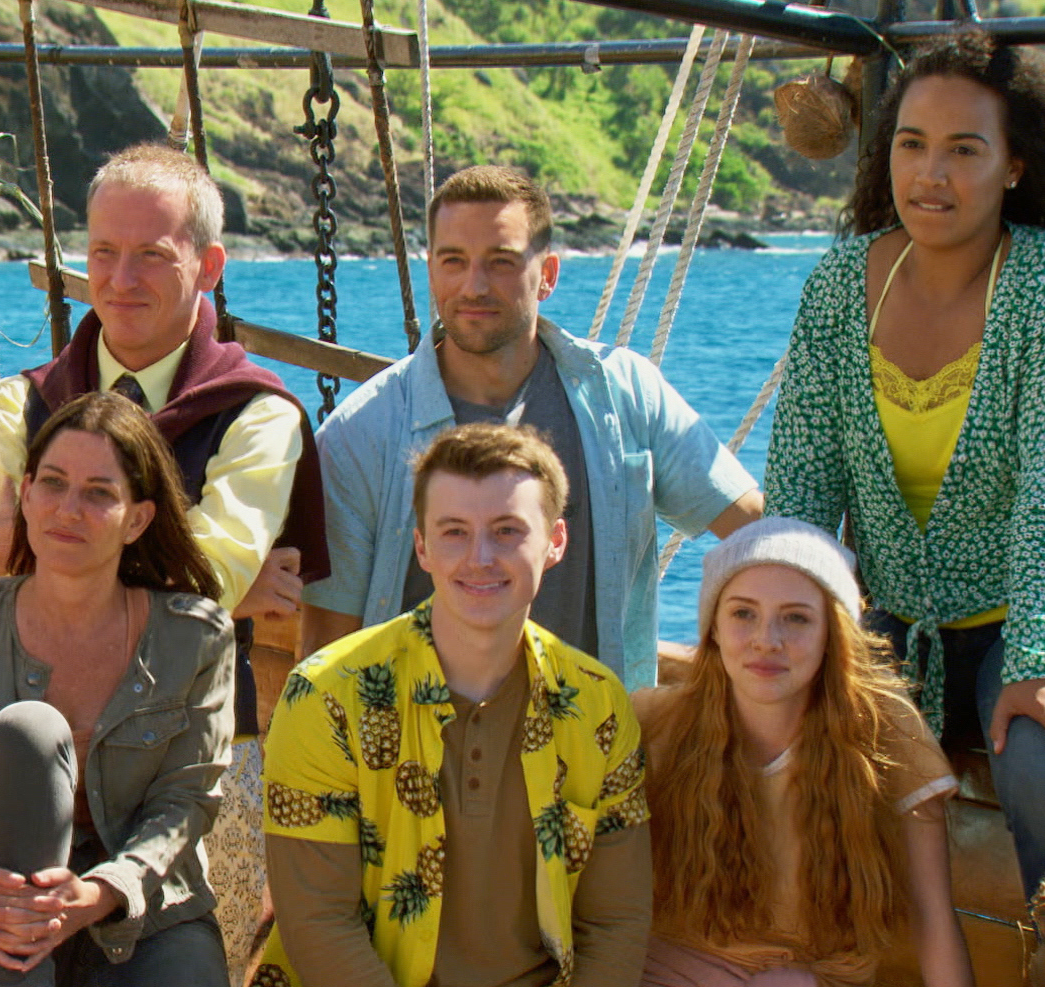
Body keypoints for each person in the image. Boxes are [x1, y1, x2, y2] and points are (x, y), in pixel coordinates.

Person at [763, 33, 1045, 909]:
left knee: (1042, 756)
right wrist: (782, 635)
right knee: (775, 733)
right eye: (912, 144)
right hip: (910, 623)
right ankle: (812, 980)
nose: (931, 174)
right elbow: (799, 492)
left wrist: (1041, 659)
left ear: (1014, 166)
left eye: (964, 150)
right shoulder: (839, 287)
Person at [0, 143, 328, 983]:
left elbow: (209, 577)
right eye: (103, 252)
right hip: (30, 752)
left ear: (209, 265)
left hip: (199, 760)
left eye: (152, 256)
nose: (120, 279)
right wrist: (217, 592)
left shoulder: (258, 416)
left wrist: (58, 556)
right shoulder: (17, 403)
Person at [251, 423, 652, 987]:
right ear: (422, 546)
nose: (480, 557)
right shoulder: (327, 696)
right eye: (455, 532)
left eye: (508, 530)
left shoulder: (598, 704)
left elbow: (617, 922)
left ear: (555, 542)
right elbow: (320, 922)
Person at [302, 165, 762, 691]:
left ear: (547, 274)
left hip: (595, 734)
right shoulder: (362, 435)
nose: (474, 286)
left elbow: (756, 530)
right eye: (453, 261)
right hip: (415, 737)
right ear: (431, 271)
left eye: (501, 262)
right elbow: (325, 651)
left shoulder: (626, 395)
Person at [0, 391, 237, 987]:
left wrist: (104, 891)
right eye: (52, 483)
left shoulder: (196, 637)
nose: (68, 509)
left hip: (145, 922)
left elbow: (186, 803)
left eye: (98, 493)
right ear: (24, 494)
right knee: (31, 729)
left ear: (138, 518)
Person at [623, 517, 983, 987]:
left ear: (832, 634)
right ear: (713, 628)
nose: (767, 639)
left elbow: (934, 921)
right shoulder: (655, 728)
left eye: (796, 618)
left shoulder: (884, 737)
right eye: (743, 613)